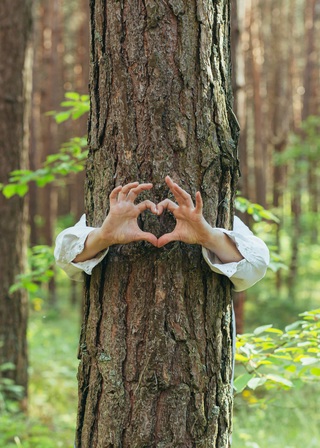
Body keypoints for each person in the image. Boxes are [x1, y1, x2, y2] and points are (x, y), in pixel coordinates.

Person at [54, 176, 270, 291]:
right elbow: (63, 255)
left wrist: (208, 237)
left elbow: (257, 265)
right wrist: (104, 236)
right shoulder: (91, 219)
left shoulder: (230, 221)